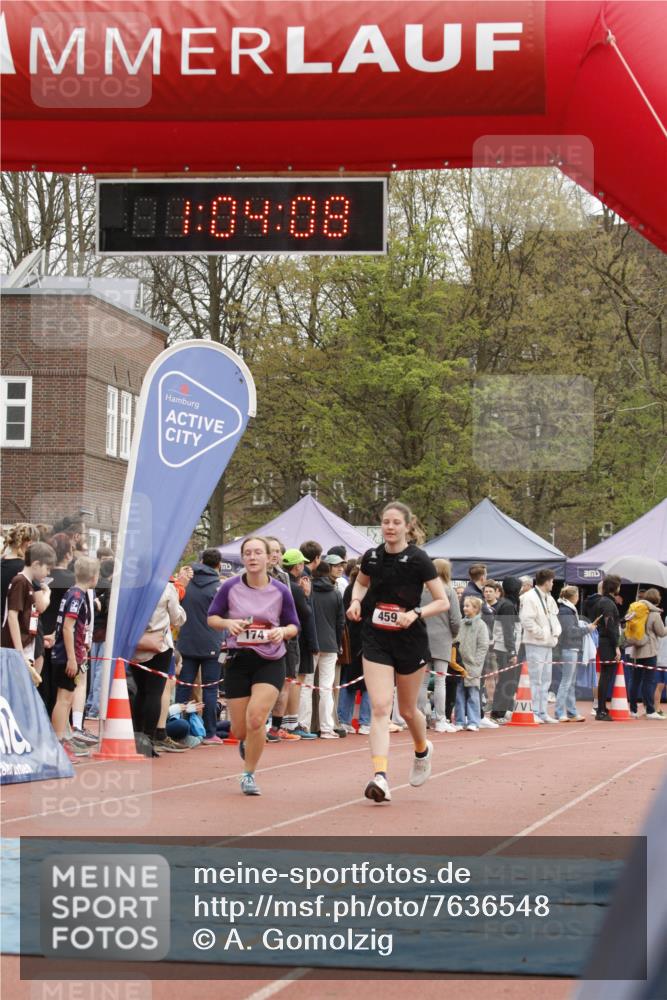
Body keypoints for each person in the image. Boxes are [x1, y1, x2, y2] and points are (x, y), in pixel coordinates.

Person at [347, 501, 449, 804]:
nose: (389, 527)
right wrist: (355, 601)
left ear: (407, 526)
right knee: (380, 707)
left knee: (407, 710)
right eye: (385, 522)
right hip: (376, 638)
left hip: (410, 640)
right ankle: (380, 776)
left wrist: (416, 613)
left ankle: (422, 749)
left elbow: (441, 601)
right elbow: (360, 585)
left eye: (395, 522)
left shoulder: (419, 559)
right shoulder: (372, 557)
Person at [207, 536, 299, 796]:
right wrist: (228, 625)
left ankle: (248, 774)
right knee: (239, 729)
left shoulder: (280, 590)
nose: (252, 557)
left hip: (270, 659)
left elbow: (294, 624)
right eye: (248, 553)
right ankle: (247, 741)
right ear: (243, 558)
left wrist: (282, 631)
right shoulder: (230, 587)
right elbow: (212, 617)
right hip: (239, 659)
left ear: (269, 557)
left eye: (258, 552)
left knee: (257, 718)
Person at [50, 556, 99, 761]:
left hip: (72, 652)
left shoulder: (73, 592)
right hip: (66, 655)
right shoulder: (77, 596)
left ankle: (62, 740)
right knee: (64, 699)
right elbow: (68, 627)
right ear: (94, 576)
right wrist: (72, 657)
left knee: (67, 698)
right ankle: (57, 744)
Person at [175, 548, 226, 745]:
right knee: (211, 688)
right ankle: (209, 733)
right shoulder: (219, 587)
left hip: (187, 641)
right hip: (212, 643)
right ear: (219, 564)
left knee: (184, 687)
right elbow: (226, 615)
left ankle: (177, 728)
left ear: (200, 560)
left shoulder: (186, 582)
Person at [131, 580, 186, 756]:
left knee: (141, 691)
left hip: (135, 644)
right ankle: (148, 739)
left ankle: (137, 738)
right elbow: (177, 618)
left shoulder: (131, 586)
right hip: (159, 645)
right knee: (154, 692)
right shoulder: (165, 587)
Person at [1, 541, 55, 688]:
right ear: (36, 564)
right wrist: (19, 651)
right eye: (47, 568)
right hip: (16, 650)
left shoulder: (28, 583)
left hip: (25, 646)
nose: (48, 573)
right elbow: (12, 616)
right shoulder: (20, 581)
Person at [418, 558, 461, 733]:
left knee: (422, 682)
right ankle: (440, 718)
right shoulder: (449, 591)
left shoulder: (421, 591)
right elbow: (455, 619)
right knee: (440, 681)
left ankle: (420, 716)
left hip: (422, 639)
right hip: (443, 639)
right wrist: (453, 634)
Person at [279, 548, 318, 739]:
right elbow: (307, 614)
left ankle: (282, 724)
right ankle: (289, 724)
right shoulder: (293, 588)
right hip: (292, 639)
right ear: (298, 566)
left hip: (279, 637)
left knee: (287, 681)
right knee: (292, 681)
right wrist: (307, 595)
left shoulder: (278, 583)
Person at [519, 568, 562, 724]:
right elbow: (526, 620)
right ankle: (534, 711)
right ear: (547, 581)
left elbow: (554, 618)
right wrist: (542, 634)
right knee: (535, 678)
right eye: (552, 581)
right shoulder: (530, 597)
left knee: (545, 679)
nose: (553, 584)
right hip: (535, 643)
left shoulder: (548, 598)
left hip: (547, 643)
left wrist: (556, 633)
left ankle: (542, 711)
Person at [309, 560, 346, 738]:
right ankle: (326, 727)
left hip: (311, 643)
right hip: (330, 643)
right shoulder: (336, 593)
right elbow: (341, 622)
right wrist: (338, 642)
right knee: (326, 687)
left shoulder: (309, 592)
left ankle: (304, 725)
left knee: (306, 686)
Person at [625, 588, 667, 720]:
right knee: (649, 681)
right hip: (649, 652)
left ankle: (633, 710)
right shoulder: (654, 614)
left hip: (635, 650)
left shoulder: (635, 610)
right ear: (657, 599)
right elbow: (661, 633)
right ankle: (650, 710)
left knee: (635, 680)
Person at [338, 564, 371, 735]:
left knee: (351, 680)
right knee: (362, 682)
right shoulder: (357, 590)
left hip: (356, 639)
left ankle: (347, 719)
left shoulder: (351, 588)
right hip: (359, 639)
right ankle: (362, 721)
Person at [555, 586, 595, 723]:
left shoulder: (568, 610)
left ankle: (571, 711)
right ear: (574, 596)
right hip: (569, 648)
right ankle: (560, 712)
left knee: (570, 682)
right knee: (567, 681)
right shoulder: (566, 611)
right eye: (578, 595)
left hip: (572, 648)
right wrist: (587, 629)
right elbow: (570, 631)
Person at [453, 596, 490, 732]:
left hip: (473, 666)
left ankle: (474, 721)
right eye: (464, 606)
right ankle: (459, 720)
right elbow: (455, 640)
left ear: (476, 609)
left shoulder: (481, 625)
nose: (464, 608)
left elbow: (483, 645)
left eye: (467, 606)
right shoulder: (461, 623)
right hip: (460, 665)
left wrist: (477, 663)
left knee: (473, 693)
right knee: (459, 693)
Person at [593, 575, 622, 721]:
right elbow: (610, 626)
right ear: (614, 587)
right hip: (607, 643)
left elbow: (610, 623)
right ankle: (601, 710)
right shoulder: (608, 603)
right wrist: (616, 646)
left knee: (605, 676)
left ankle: (602, 708)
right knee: (606, 676)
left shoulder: (605, 602)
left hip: (605, 641)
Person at [1, 522, 40, 609]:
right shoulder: (26, 569)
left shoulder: (2, 562)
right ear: (29, 543)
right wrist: (46, 591)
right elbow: (40, 604)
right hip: (18, 619)